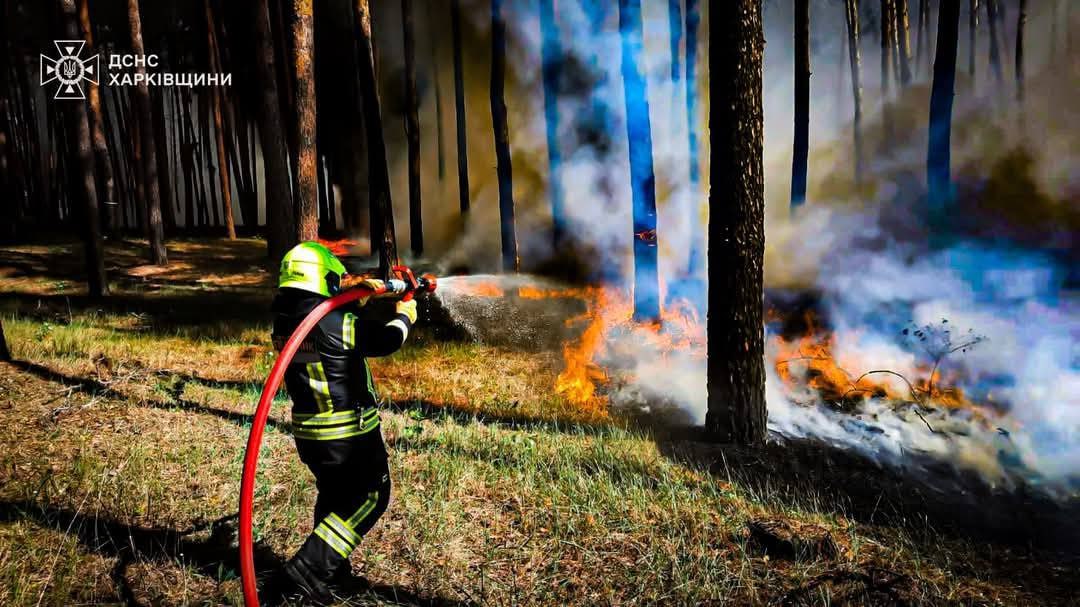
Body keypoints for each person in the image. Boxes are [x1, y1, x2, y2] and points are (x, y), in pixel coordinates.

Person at [270, 242, 417, 603]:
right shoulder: (335, 322)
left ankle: (332, 573)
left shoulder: (288, 320)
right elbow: (385, 339)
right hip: (348, 434)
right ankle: (305, 570)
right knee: (370, 497)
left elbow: (326, 329)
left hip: (310, 434)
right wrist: (405, 314)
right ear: (322, 279)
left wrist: (354, 296)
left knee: (335, 498)